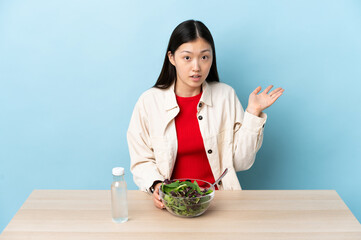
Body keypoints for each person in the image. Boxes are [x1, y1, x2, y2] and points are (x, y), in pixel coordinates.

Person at [127, 19, 284, 210]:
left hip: (218, 203)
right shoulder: (149, 101)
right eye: (187, 58)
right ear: (171, 57)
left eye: (204, 57)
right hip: (169, 205)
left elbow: (241, 163)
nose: (196, 67)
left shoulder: (226, 95)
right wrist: (157, 186)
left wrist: (253, 113)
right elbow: (141, 160)